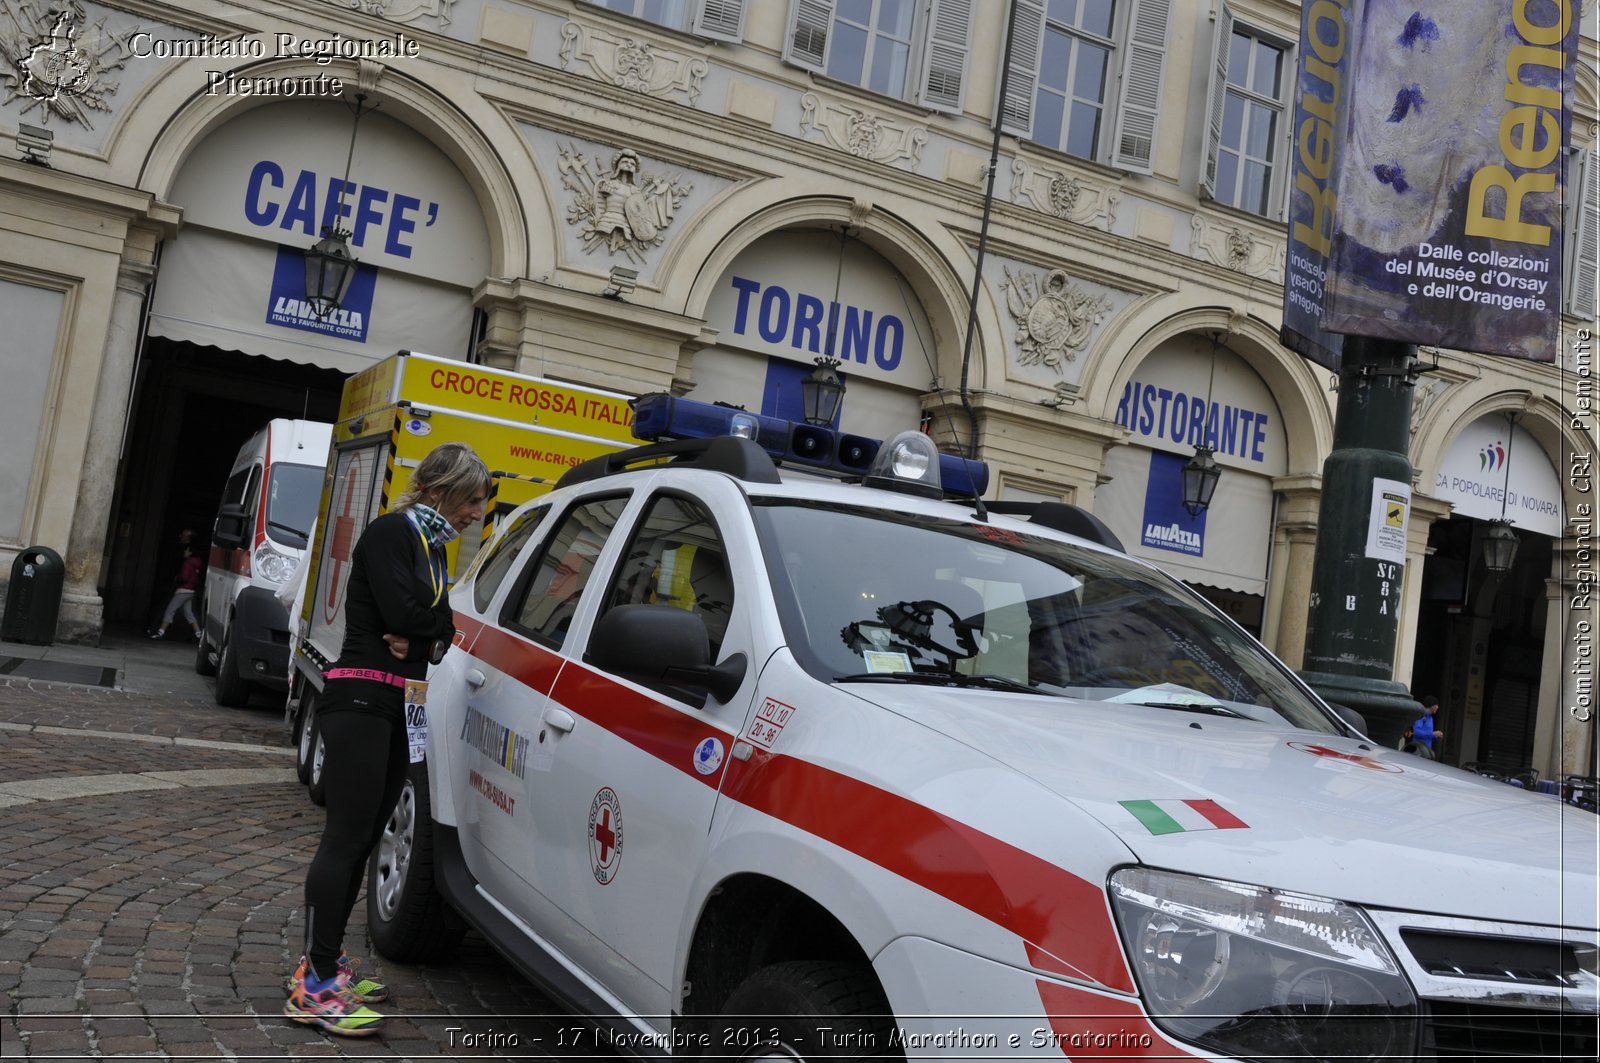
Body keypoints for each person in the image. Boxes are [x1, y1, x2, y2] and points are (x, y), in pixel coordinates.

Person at [284, 443, 488, 1037]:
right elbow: (407, 615)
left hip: (398, 702)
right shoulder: (392, 533)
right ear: (440, 490)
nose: (477, 512)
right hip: (363, 699)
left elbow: (437, 628)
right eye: (472, 499)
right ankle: (314, 984)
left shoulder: (429, 547)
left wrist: (425, 636)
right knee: (346, 839)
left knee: (369, 837)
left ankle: (327, 964)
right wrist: (423, 632)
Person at [149, 532, 201, 640]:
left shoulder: (187, 562)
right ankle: (198, 634)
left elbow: (184, 577)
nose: (184, 551)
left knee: (170, 610)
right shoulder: (197, 562)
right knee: (189, 613)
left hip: (183, 590)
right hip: (191, 590)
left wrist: (177, 578)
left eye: (186, 550)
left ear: (190, 552)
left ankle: (160, 632)